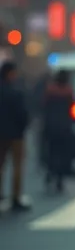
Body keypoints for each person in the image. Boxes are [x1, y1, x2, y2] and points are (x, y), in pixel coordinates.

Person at [0, 61, 30, 210]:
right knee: (17, 166)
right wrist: (23, 128)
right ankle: (15, 197)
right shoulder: (16, 92)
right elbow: (23, 114)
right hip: (16, 135)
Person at [43, 69, 74, 192]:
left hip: (51, 126)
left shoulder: (50, 90)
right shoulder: (68, 91)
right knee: (62, 153)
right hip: (64, 126)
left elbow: (44, 107)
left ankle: (50, 172)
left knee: (51, 151)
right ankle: (60, 178)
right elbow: (72, 107)